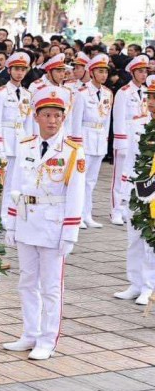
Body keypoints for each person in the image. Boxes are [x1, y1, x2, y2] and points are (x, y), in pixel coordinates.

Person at [1, 86, 84, 361]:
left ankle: (48, 340)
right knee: (27, 282)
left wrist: (70, 232)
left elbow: (75, 193)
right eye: (46, 115)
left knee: (51, 287)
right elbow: (14, 186)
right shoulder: (26, 146)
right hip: (26, 221)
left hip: (53, 224)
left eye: (57, 116)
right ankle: (30, 333)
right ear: (36, 117)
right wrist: (10, 224)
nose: (52, 121)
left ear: (63, 118)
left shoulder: (72, 151)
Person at [113, 75, 155, 306]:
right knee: (134, 237)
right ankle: (135, 283)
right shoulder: (138, 122)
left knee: (151, 239)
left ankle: (149, 286)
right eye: (149, 96)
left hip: (154, 189)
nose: (151, 101)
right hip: (136, 186)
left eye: (154, 97)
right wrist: (123, 189)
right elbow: (129, 159)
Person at [69, 54, 113, 228]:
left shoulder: (108, 93)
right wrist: (76, 143)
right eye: (100, 71)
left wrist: (105, 139)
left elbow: (107, 119)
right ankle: (76, 214)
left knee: (92, 180)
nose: (103, 75)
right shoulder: (82, 93)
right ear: (92, 72)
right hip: (85, 138)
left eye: (105, 72)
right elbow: (76, 120)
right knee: (80, 179)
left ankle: (87, 214)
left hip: (99, 138)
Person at [111, 55, 149, 225]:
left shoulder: (147, 92)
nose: (143, 75)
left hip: (141, 140)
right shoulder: (124, 92)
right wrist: (121, 142)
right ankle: (116, 211)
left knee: (135, 175)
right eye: (140, 71)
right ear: (132, 72)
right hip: (126, 138)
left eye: (145, 71)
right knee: (121, 177)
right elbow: (118, 118)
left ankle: (128, 209)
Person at [0, 51, 33, 164]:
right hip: (5, 142)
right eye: (16, 69)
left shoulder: (27, 94)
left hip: (21, 142)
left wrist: (29, 145)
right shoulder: (0, 93)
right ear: (9, 70)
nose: (20, 73)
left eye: (23, 70)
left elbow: (28, 123)